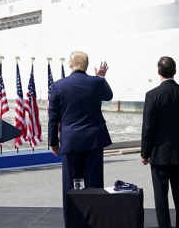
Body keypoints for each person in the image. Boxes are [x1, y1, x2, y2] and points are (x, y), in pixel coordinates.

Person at [48, 51, 112, 225]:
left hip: (71, 141)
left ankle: (72, 223)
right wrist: (101, 77)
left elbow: (53, 117)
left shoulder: (58, 86)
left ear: (70, 64)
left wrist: (53, 142)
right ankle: (95, 222)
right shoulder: (97, 82)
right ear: (86, 64)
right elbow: (109, 96)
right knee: (95, 185)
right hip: (94, 140)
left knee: (70, 188)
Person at [141, 56, 179, 228]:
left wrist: (145, 153)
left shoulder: (152, 95)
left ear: (158, 72)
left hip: (159, 155)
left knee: (161, 197)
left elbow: (148, 127)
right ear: (175, 71)